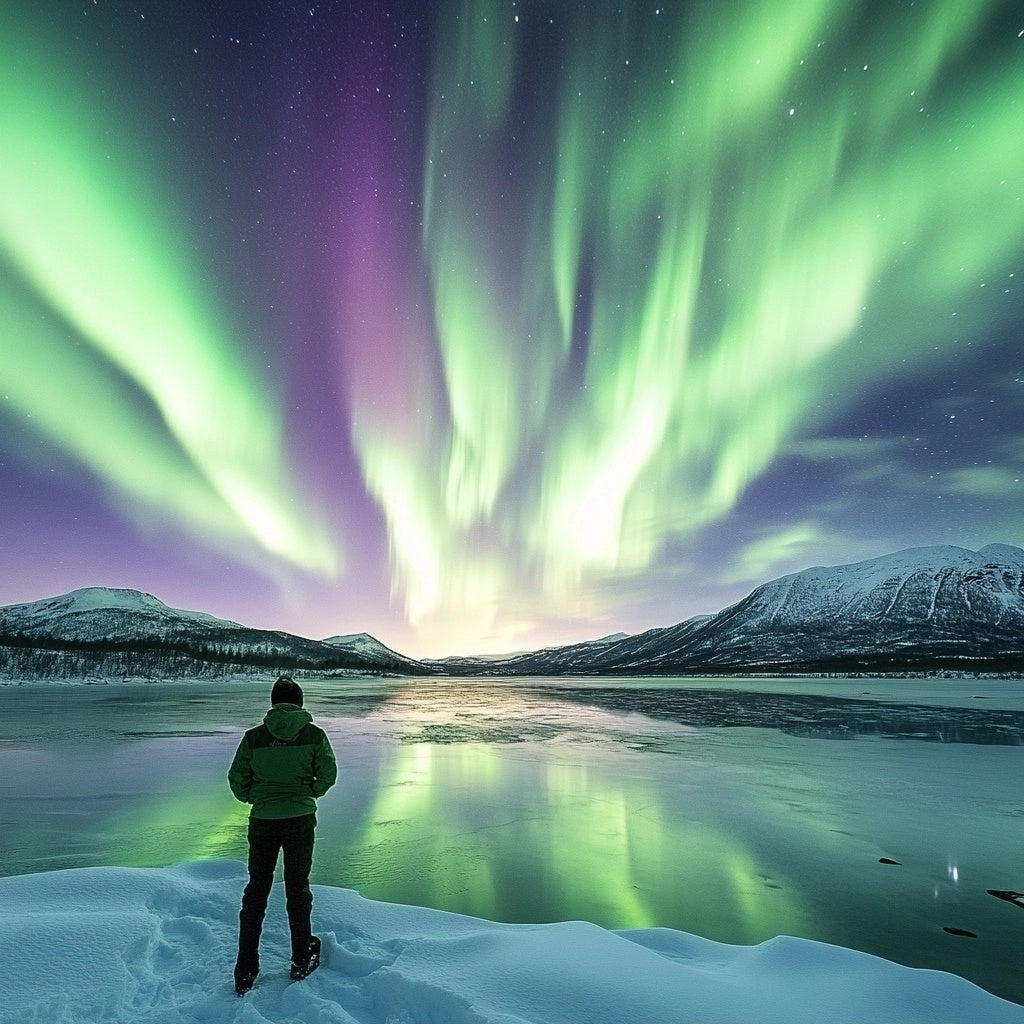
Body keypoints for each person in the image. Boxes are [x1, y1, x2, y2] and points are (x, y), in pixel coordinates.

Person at [228, 675, 337, 996]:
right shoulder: (314, 735)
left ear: (273, 702)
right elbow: (328, 774)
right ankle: (302, 957)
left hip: (263, 819)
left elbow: (237, 779)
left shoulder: (254, 737)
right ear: (300, 702)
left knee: (256, 890)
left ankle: (245, 969)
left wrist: (257, 797)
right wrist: (308, 792)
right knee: (297, 888)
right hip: (300, 818)